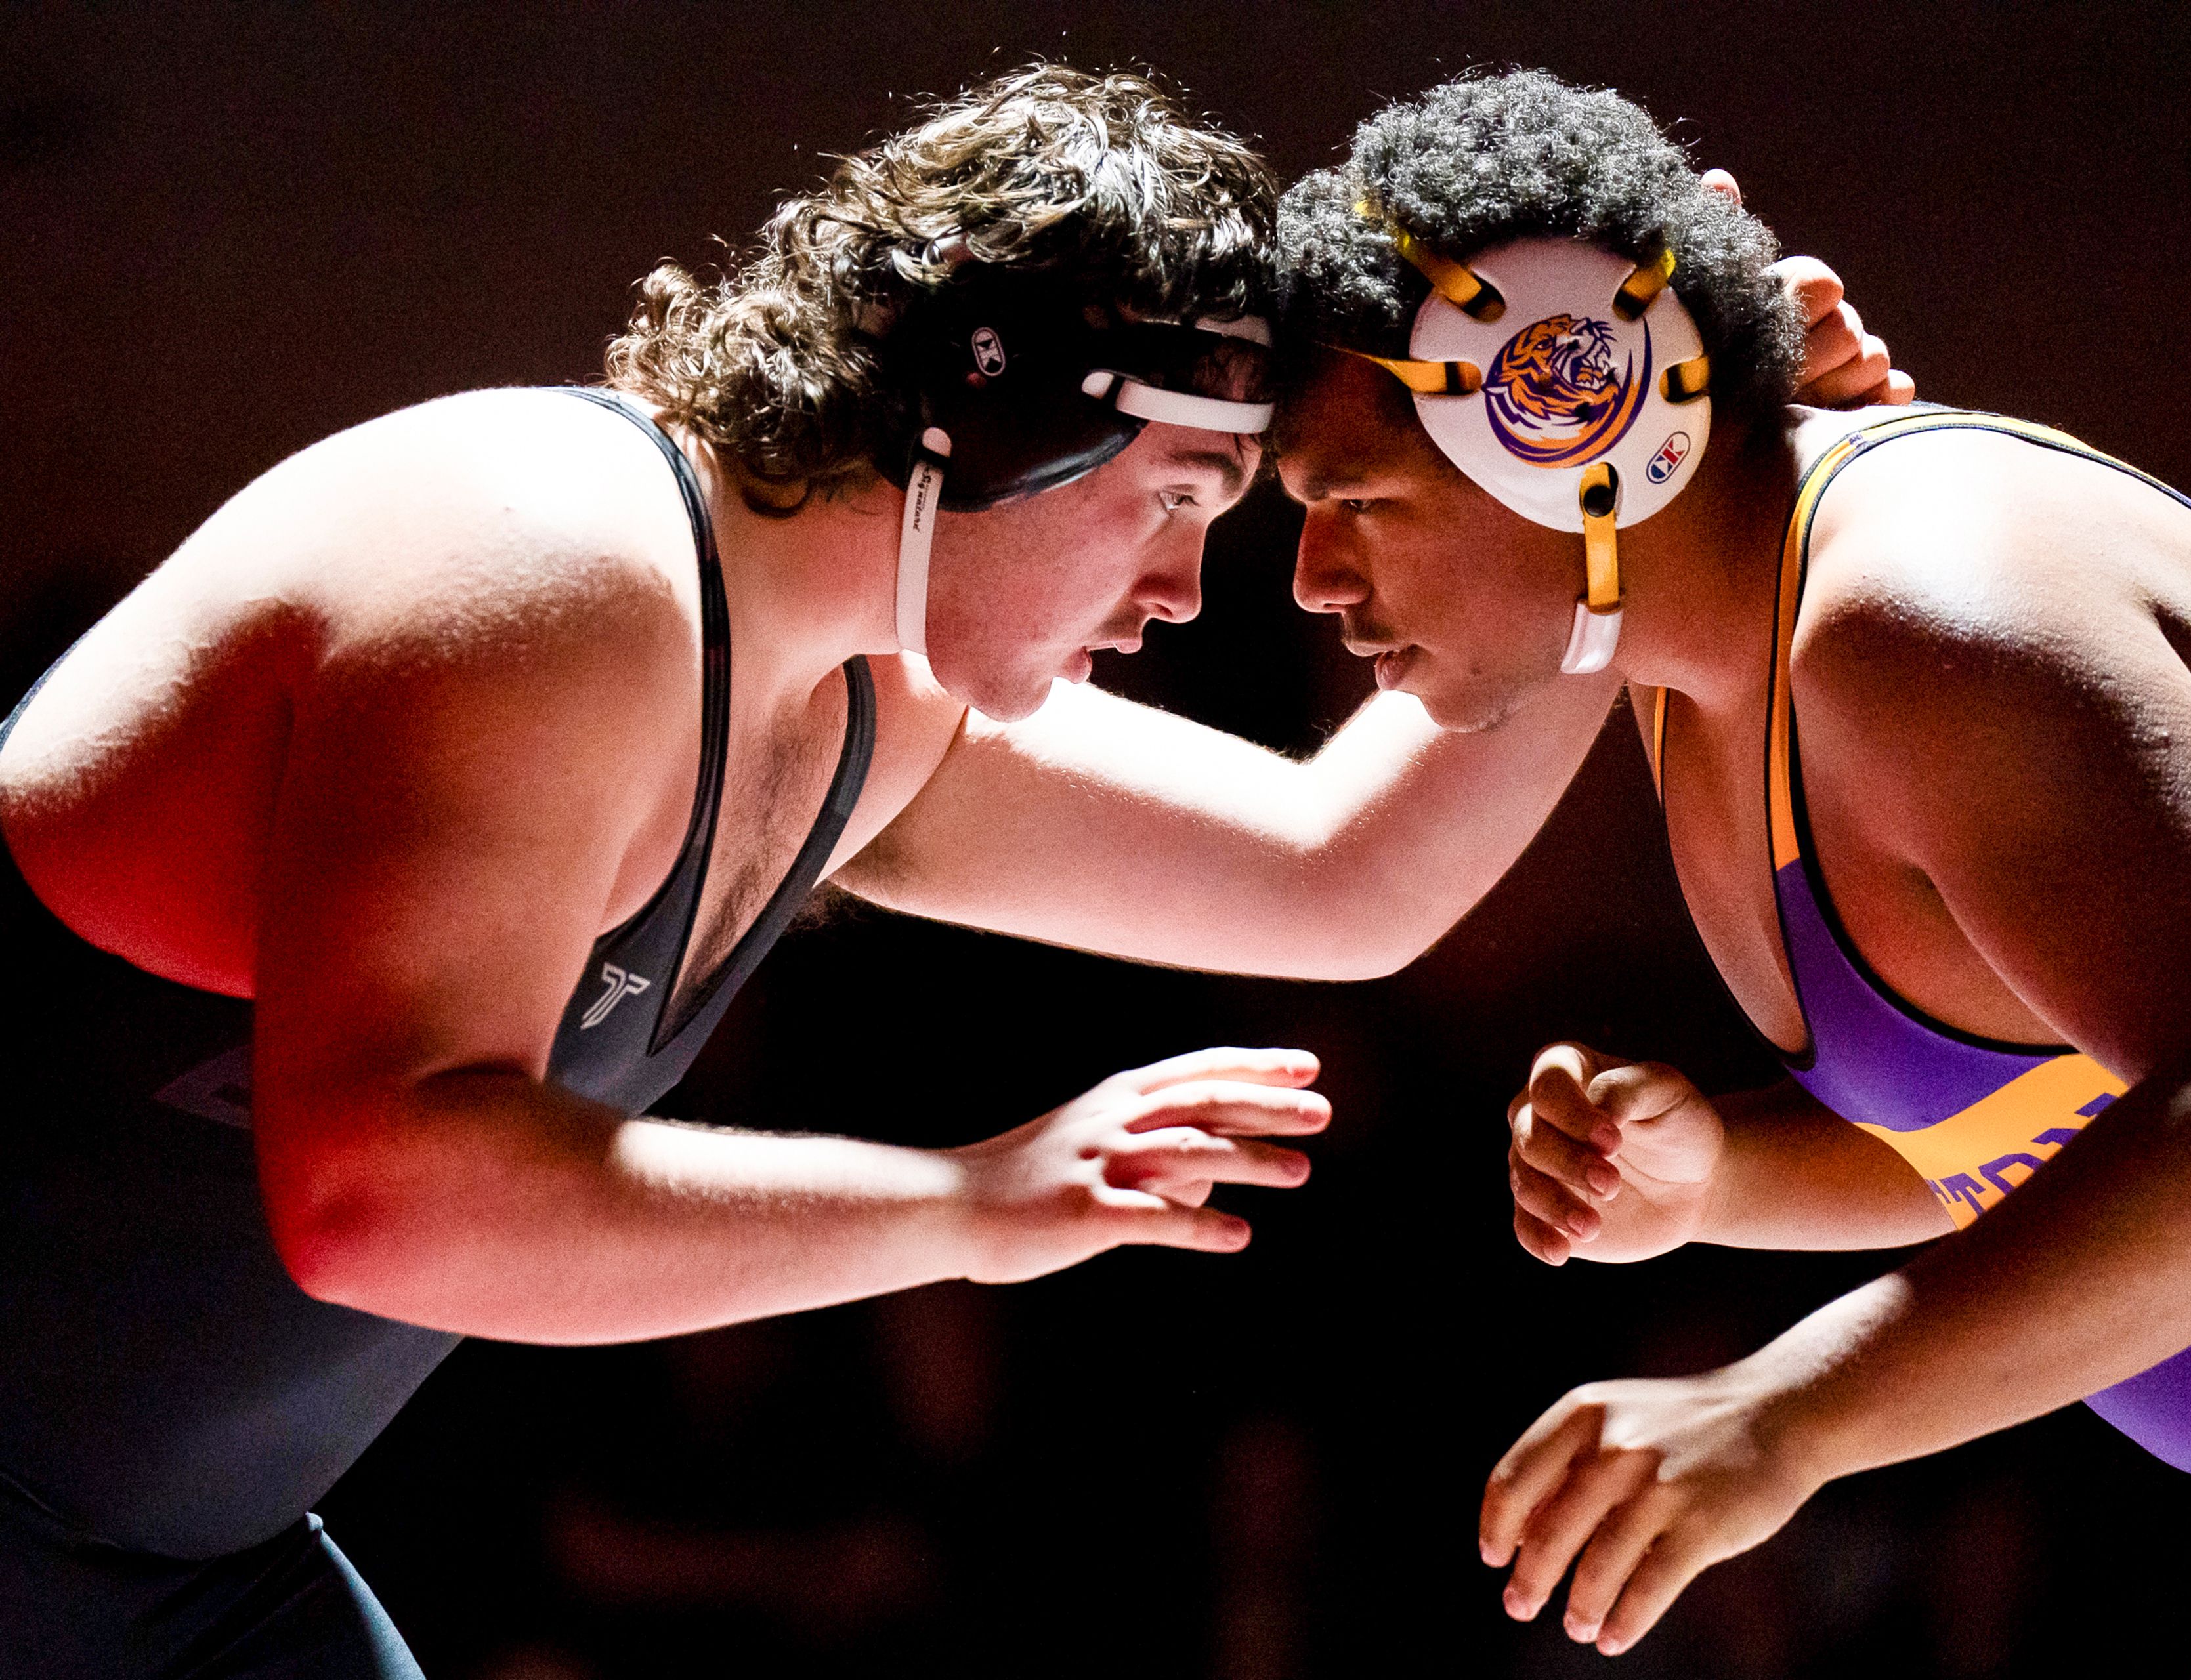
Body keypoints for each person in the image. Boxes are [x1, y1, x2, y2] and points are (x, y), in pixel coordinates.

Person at [0, 63, 1896, 1678]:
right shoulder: (551, 572)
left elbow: (1346, 881)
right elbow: (383, 1199)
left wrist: (1626, 488)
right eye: (1171, 501)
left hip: (174, 1571)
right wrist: (964, 1205)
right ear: (993, 414)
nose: (1180, 593)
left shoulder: (861, 706)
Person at [1266, 70, 2191, 1677]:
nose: (1314, 579)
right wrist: (1718, 1176)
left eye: (1357, 501)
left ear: (1575, 418)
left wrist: (1790, 1413)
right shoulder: (1703, 666)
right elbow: (2048, 1102)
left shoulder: (1917, 612)